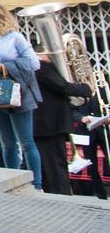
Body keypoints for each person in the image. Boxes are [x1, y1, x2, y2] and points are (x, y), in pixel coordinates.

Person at [0, 3, 43, 189]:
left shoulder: (15, 37)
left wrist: (7, 66)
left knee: (26, 142)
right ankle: (12, 181)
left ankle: (36, 182)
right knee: (7, 143)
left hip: (18, 92)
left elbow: (34, 63)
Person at [32, 44, 92, 196]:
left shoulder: (36, 67)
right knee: (55, 166)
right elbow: (62, 86)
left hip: (47, 125)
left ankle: (56, 193)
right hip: (49, 125)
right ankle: (60, 196)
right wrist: (86, 88)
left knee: (53, 165)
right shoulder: (40, 66)